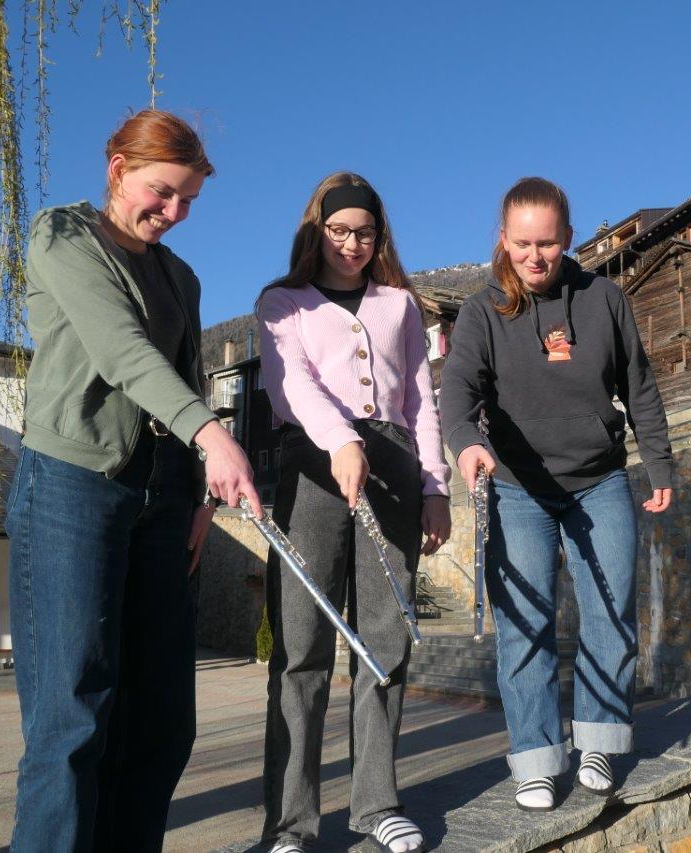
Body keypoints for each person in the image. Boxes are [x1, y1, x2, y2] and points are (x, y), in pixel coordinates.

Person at [6, 109, 259, 851]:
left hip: (166, 496)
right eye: (162, 191)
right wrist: (214, 435)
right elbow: (121, 351)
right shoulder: (62, 235)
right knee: (73, 717)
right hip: (73, 485)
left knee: (161, 721)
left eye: (189, 200)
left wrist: (202, 493)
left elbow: (184, 376)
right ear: (118, 169)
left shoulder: (181, 276)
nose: (173, 212)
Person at [440, 177, 674, 812]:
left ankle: (598, 741)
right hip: (518, 488)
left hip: (599, 479)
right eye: (522, 244)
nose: (534, 257)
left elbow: (639, 385)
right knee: (525, 626)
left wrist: (659, 464)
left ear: (568, 238)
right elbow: (457, 391)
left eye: (546, 243)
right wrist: (466, 442)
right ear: (503, 240)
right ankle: (537, 760)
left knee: (610, 612)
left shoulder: (605, 299)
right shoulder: (482, 312)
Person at [256, 172, 451, 853]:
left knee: (384, 640)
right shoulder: (282, 303)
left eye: (364, 232)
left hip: (394, 468)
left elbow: (420, 402)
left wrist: (435, 486)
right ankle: (289, 824)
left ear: (379, 236)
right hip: (312, 466)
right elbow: (289, 382)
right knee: (301, 648)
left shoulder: (400, 306)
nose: (351, 244)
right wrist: (340, 440)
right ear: (317, 230)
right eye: (339, 230)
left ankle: (376, 803)